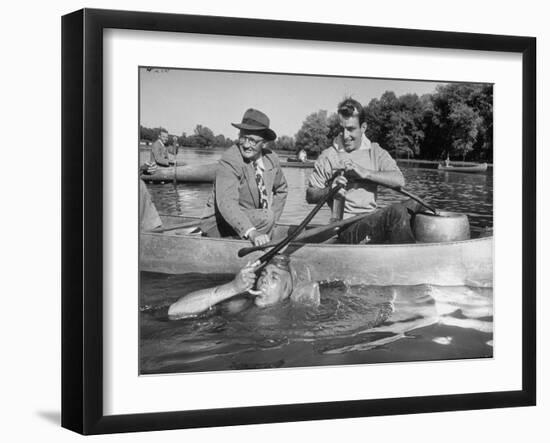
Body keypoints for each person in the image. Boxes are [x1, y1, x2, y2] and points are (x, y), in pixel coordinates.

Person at [306, 97, 416, 244]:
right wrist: (329, 191)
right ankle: (410, 260)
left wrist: (366, 173)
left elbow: (399, 180)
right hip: (346, 229)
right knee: (396, 212)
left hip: (371, 221)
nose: (345, 136)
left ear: (363, 128)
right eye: (342, 129)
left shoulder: (375, 151)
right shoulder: (328, 156)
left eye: (351, 129)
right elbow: (310, 195)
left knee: (414, 205)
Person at [200, 108, 288, 246]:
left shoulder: (272, 159)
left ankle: (259, 241)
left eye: (252, 141)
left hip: (256, 220)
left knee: (269, 217)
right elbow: (227, 203)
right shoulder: (230, 160)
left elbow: (282, 189)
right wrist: (252, 232)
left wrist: (274, 222)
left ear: (264, 142)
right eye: (243, 138)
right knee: (267, 217)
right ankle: (240, 245)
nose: (246, 145)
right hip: (218, 223)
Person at [167, 254, 319, 319]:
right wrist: (233, 287)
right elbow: (174, 311)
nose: (263, 280)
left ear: (287, 291)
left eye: (274, 278)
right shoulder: (240, 305)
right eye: (263, 274)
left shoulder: (295, 319)